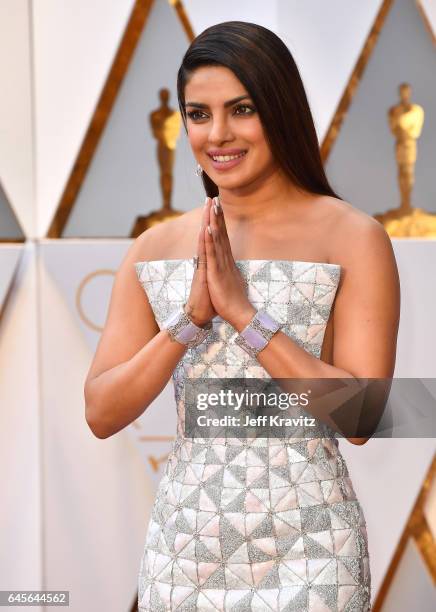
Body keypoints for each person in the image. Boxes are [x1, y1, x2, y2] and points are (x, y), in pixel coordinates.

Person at [84, 21, 400, 611]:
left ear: (279, 110)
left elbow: (361, 415)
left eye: (242, 109)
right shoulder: (156, 248)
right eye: (198, 114)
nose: (218, 134)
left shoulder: (353, 237)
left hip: (313, 549)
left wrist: (245, 316)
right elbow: (102, 412)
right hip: (187, 549)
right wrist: (188, 322)